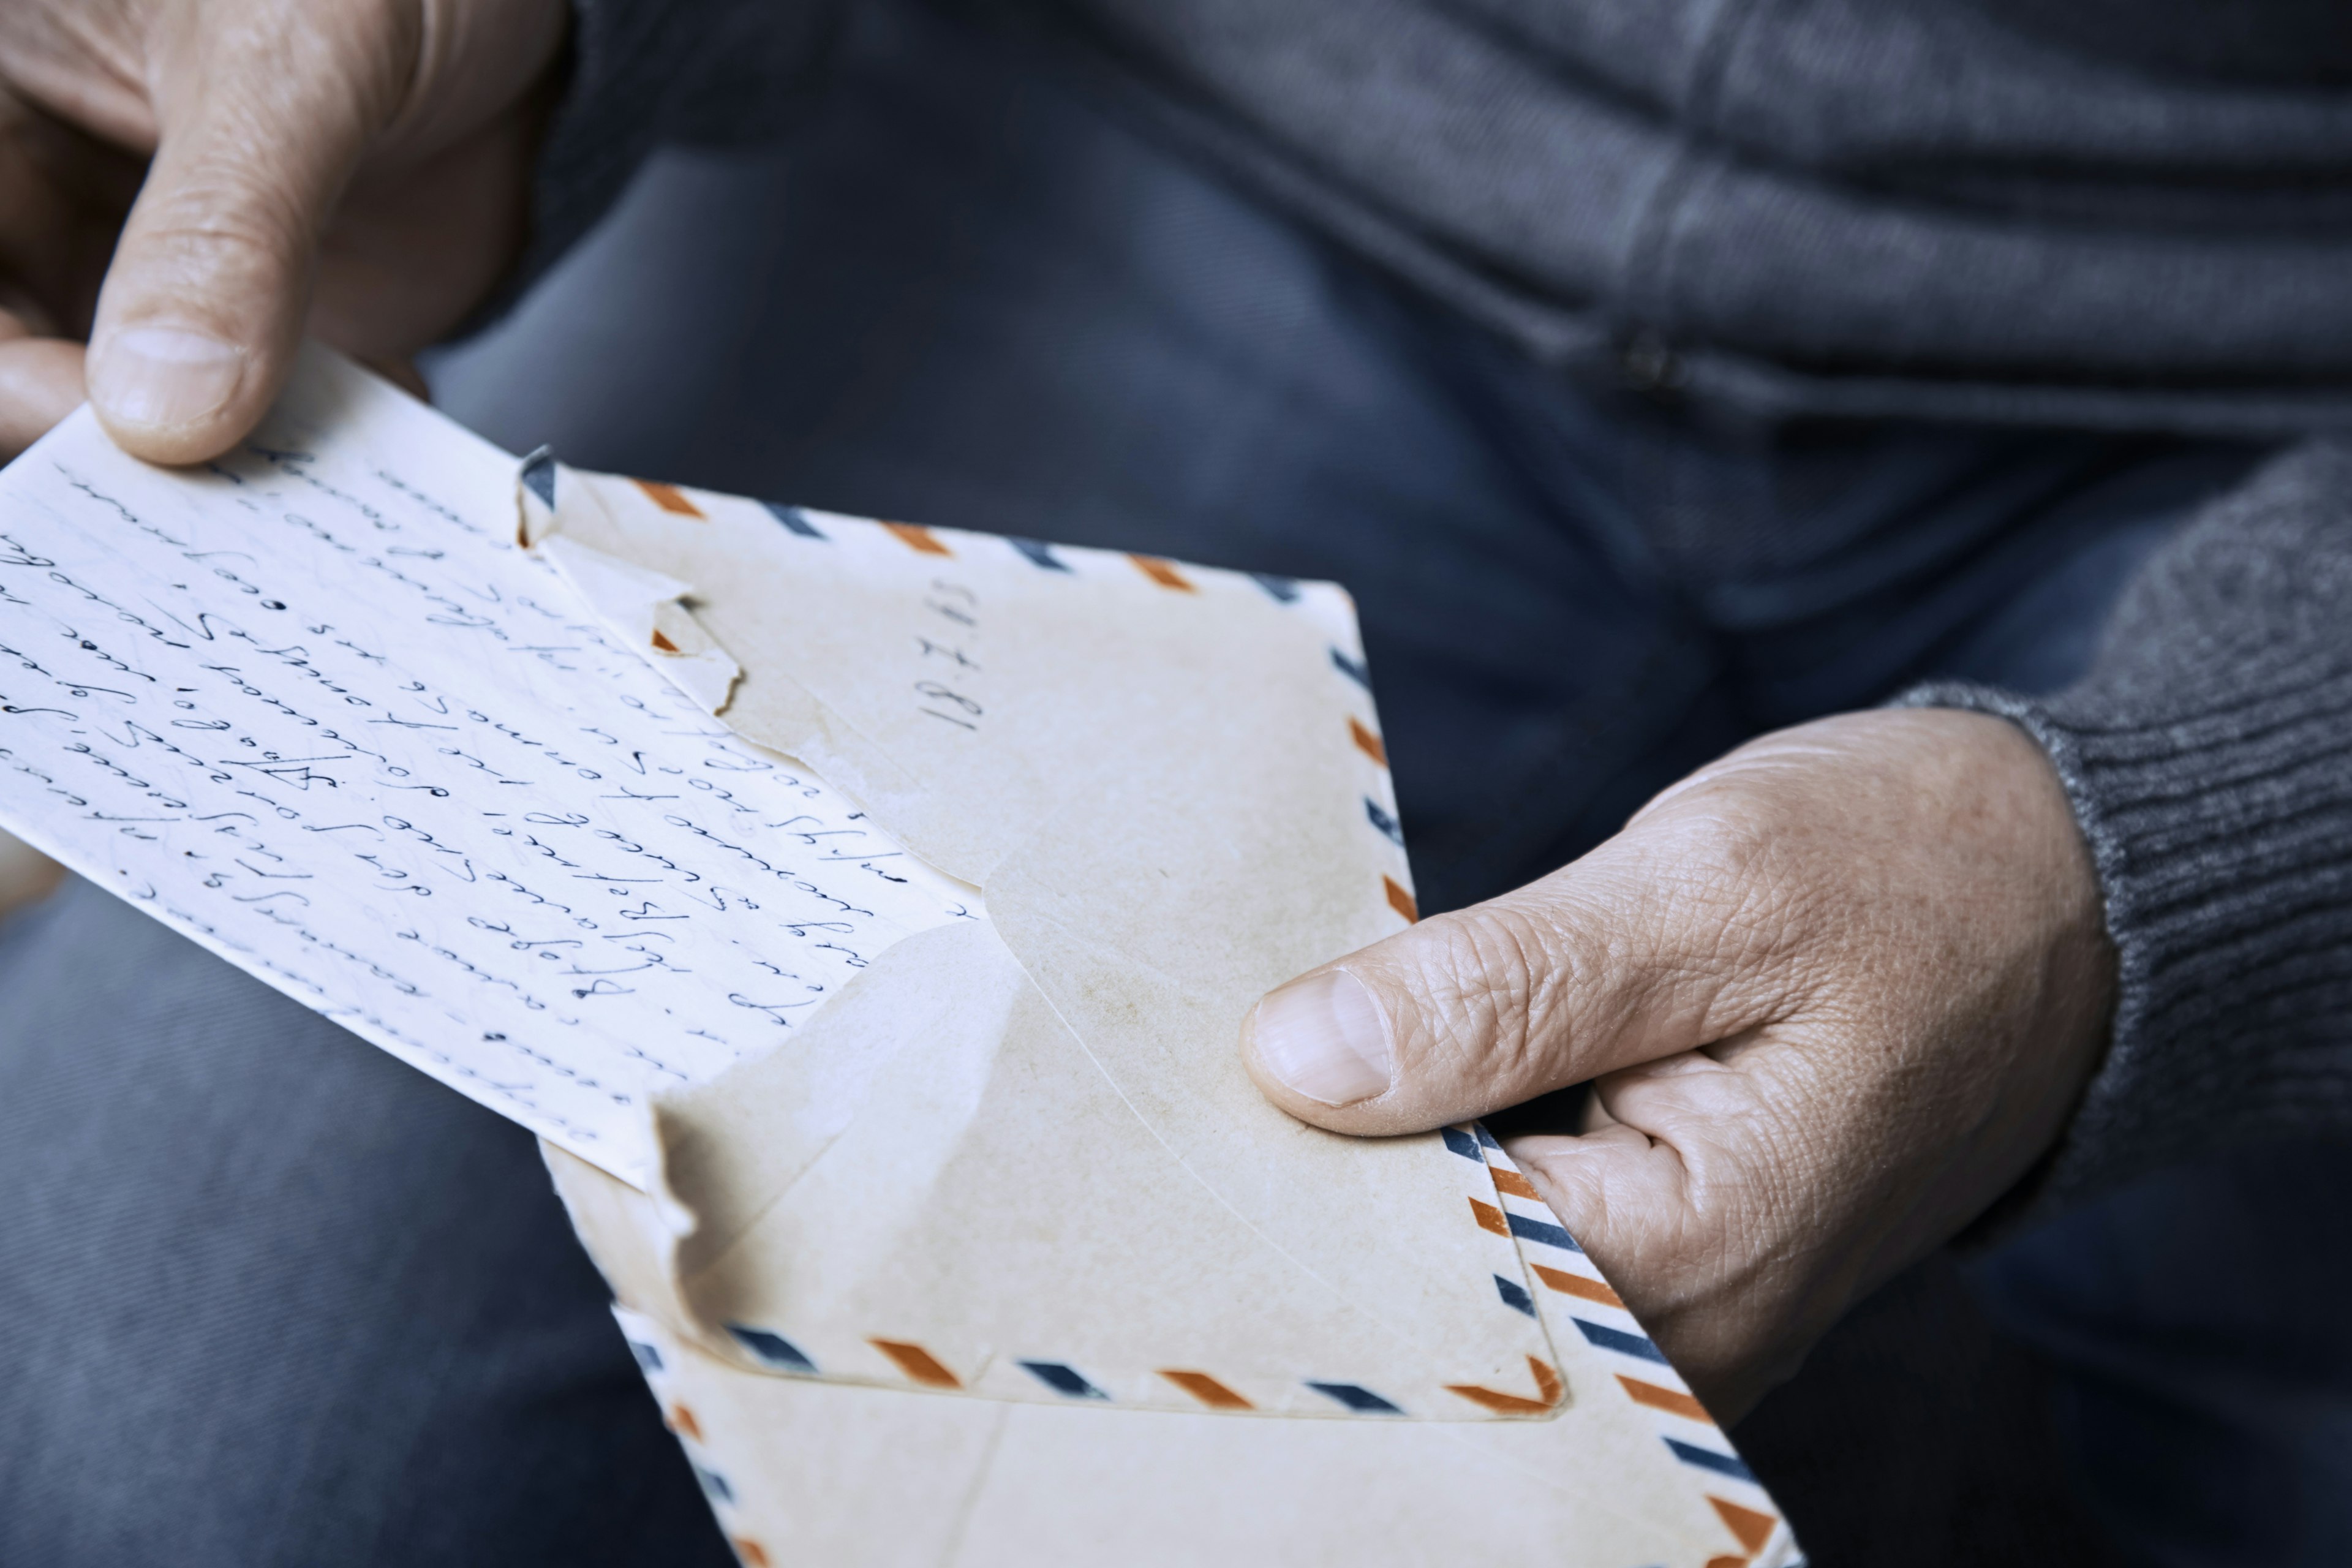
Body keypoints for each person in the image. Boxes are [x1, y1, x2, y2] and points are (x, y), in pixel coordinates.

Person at [0, 1, 2346, 1562]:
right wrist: (540, 47)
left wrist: (2197, 844)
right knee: (170, 1426)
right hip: (1108, 101)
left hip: (2273, 366)